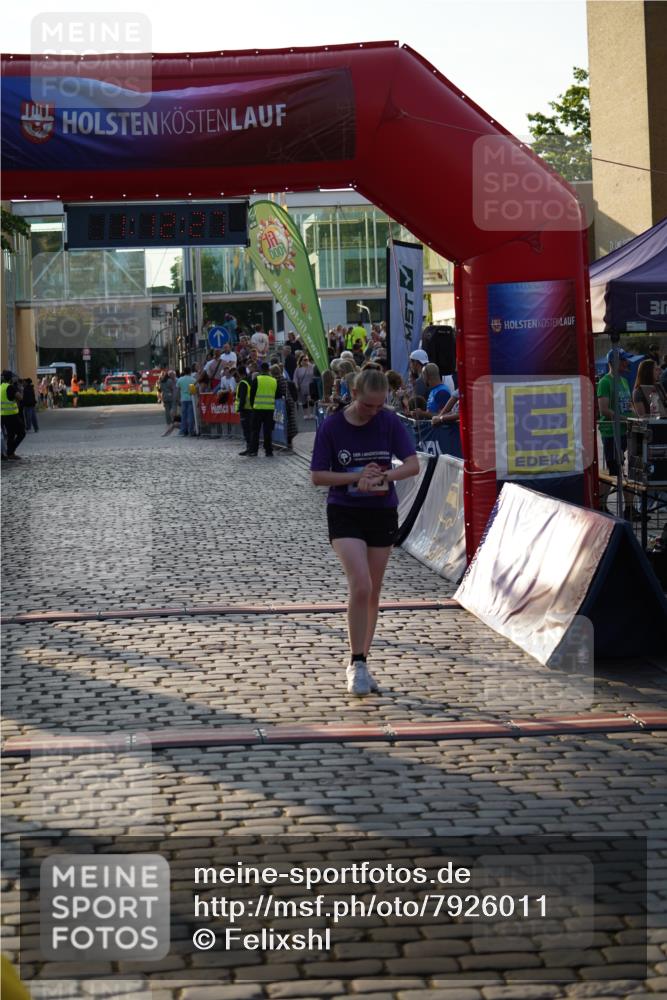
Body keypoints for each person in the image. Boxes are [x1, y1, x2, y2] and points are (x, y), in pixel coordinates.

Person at [310, 368, 419, 696]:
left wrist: (386, 477)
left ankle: (363, 661)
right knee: (360, 584)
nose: (375, 412)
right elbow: (318, 475)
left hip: (381, 511)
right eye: (369, 406)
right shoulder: (332, 426)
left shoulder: (388, 421)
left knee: (373, 591)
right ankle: (355, 662)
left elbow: (413, 464)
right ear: (354, 394)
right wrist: (354, 478)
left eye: (380, 405)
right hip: (345, 511)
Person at [597, 349, 634, 516]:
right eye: (624, 360)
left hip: (626, 431)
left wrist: (636, 418)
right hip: (611, 432)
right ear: (615, 362)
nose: (628, 363)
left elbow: (628, 406)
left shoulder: (625, 382)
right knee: (614, 470)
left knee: (627, 468)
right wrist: (623, 419)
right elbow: (604, 409)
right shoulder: (605, 381)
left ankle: (629, 508)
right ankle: (600, 505)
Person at [245, 361, 282, 457]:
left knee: (255, 431)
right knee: (268, 431)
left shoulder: (257, 379)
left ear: (261, 370)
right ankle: (268, 451)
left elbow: (252, 394)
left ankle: (254, 450)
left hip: (257, 409)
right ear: (268, 369)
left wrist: (253, 405)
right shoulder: (274, 380)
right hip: (269, 409)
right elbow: (278, 394)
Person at [1, 371, 25, 461]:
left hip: (2, 415)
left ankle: (10, 453)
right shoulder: (10, 387)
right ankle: (10, 451)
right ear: (10, 378)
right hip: (11, 415)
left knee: (10, 434)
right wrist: (19, 390)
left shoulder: (1, 387)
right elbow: (20, 397)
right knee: (21, 433)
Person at [176, 366, 196, 436]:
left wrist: (178, 399)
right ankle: (191, 431)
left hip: (183, 399)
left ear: (184, 372)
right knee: (191, 416)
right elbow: (193, 392)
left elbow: (178, 391)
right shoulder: (192, 380)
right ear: (190, 372)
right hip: (191, 399)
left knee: (184, 416)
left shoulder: (180, 380)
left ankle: (183, 431)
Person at [293, 354, 315, 419]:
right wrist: (296, 385)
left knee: (311, 400)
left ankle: (311, 413)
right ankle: (305, 414)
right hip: (302, 387)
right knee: (304, 401)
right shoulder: (298, 369)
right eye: (305, 360)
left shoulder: (311, 367)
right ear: (301, 361)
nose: (306, 361)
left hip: (311, 386)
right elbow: (295, 378)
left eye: (307, 360)